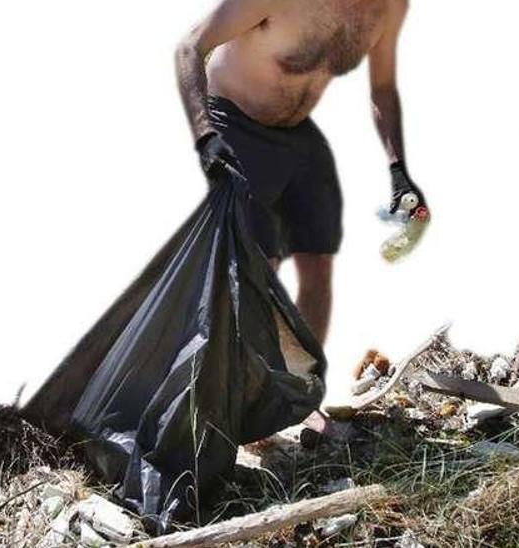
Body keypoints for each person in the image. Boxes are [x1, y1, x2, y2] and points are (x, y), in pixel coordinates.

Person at [176, 0, 420, 344]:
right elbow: (190, 46)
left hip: (296, 132)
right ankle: (241, 383)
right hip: (233, 119)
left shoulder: (389, 7)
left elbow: (382, 89)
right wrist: (205, 136)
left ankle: (301, 388)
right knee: (259, 264)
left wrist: (398, 169)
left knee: (319, 263)